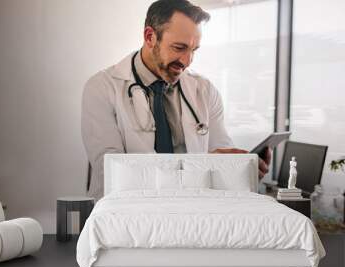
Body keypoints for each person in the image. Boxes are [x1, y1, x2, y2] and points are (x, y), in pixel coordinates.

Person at [81, 0, 271, 200]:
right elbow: (113, 174)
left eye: (193, 50)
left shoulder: (204, 90)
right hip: (127, 214)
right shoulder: (102, 88)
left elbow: (220, 161)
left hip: (190, 213)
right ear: (150, 37)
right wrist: (201, 167)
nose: (187, 61)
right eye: (179, 47)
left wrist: (241, 170)